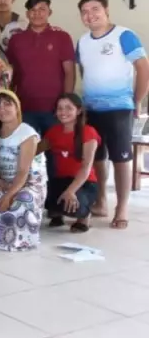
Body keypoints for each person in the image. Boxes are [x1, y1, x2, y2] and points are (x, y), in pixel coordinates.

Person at [77, 0, 149, 228]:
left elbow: (143, 67)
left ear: (106, 10)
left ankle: (122, 207)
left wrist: (137, 99)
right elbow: (84, 72)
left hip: (119, 108)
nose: (90, 14)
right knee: (97, 157)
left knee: (121, 158)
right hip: (91, 109)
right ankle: (101, 201)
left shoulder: (124, 35)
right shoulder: (83, 41)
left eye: (95, 9)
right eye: (85, 11)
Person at [0, 90, 47, 252]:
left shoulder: (27, 133)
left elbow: (24, 170)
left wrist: (9, 194)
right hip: (7, 182)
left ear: (17, 107)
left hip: (29, 182)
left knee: (23, 200)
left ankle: (21, 241)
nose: (2, 109)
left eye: (7, 104)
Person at [7, 0, 75, 136]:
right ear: (27, 13)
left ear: (49, 12)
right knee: (27, 151)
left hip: (54, 108)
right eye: (33, 10)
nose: (37, 13)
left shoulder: (62, 37)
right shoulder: (16, 39)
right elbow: (10, 73)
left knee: (54, 151)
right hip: (24, 106)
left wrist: (66, 103)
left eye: (42, 9)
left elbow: (70, 72)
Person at [42, 93, 100, 233]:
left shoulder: (89, 132)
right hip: (61, 180)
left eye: (68, 108)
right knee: (43, 198)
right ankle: (58, 213)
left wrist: (70, 191)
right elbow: (34, 150)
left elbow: (86, 168)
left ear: (78, 110)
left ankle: (84, 216)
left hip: (84, 183)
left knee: (76, 204)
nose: (63, 112)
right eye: (60, 108)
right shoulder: (52, 132)